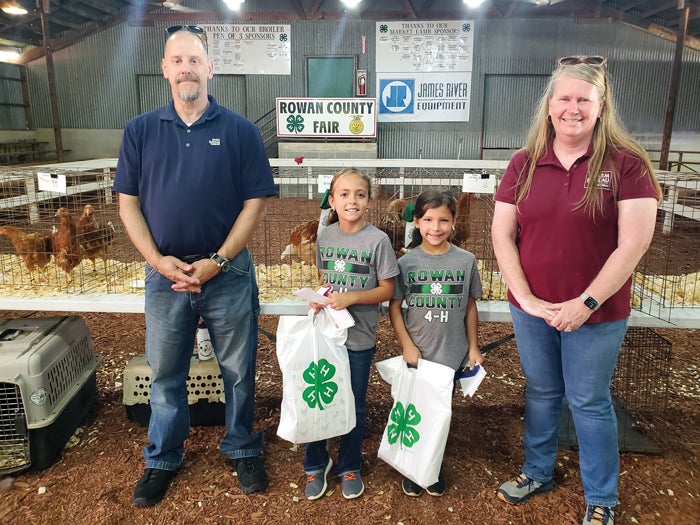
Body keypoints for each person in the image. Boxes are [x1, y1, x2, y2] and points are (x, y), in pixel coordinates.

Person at [491, 55, 661, 525]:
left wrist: (587, 302)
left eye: (583, 100)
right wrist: (525, 298)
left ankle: (602, 496)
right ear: (549, 106)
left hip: (597, 313)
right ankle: (537, 470)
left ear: (601, 106)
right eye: (564, 98)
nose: (573, 108)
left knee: (587, 400)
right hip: (534, 308)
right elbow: (502, 234)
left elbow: (634, 243)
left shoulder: (627, 166)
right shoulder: (523, 164)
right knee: (542, 391)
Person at [113, 26, 277, 507]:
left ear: (210, 68)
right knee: (166, 371)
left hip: (226, 273)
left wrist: (219, 260)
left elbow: (254, 203)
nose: (186, 67)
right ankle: (162, 456)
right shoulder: (140, 130)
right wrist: (157, 261)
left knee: (239, 370)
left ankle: (243, 445)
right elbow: (127, 204)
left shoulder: (240, 130)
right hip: (164, 274)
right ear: (165, 69)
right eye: (177, 60)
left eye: (194, 59)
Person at [304, 168, 399, 501]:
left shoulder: (378, 240)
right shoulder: (326, 236)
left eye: (359, 194)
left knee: (355, 403)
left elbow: (387, 289)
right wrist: (320, 297)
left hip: (359, 337)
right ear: (332, 200)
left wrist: (352, 297)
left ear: (369, 201)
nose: (352, 200)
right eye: (343, 194)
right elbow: (325, 277)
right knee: (318, 397)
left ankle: (349, 463)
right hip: (327, 335)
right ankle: (316, 462)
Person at [388, 189, 483, 498]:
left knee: (441, 412)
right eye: (428, 220)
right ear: (417, 222)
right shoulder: (407, 263)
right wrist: (406, 345)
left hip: (451, 353)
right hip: (419, 351)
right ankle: (413, 467)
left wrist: (473, 347)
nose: (436, 227)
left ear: (454, 222)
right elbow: (395, 307)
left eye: (443, 220)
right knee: (414, 409)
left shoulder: (466, 261)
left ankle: (433, 464)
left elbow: (470, 306)